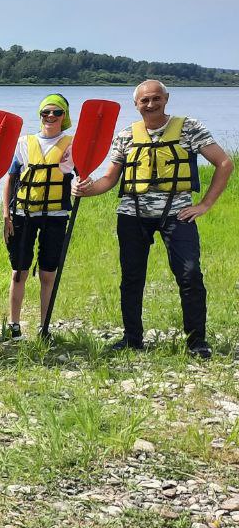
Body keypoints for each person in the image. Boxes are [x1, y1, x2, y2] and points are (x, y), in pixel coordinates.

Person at [76, 80, 232, 359]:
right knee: (132, 278)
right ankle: (132, 338)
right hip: (132, 215)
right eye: (144, 100)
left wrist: (205, 204)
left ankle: (197, 341)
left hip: (178, 214)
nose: (150, 104)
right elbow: (110, 179)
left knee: (190, 273)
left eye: (156, 98)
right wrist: (85, 190)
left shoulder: (189, 128)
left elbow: (224, 163)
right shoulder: (126, 135)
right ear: (136, 104)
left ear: (166, 98)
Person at [4, 94, 75, 339]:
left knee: (47, 272)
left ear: (64, 116)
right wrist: (6, 215)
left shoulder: (72, 144)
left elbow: (82, 174)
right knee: (19, 271)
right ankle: (13, 325)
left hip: (56, 215)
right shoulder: (24, 143)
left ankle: (44, 327)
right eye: (46, 112)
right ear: (40, 115)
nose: (51, 117)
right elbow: (11, 179)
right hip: (23, 214)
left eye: (57, 113)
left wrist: (82, 185)